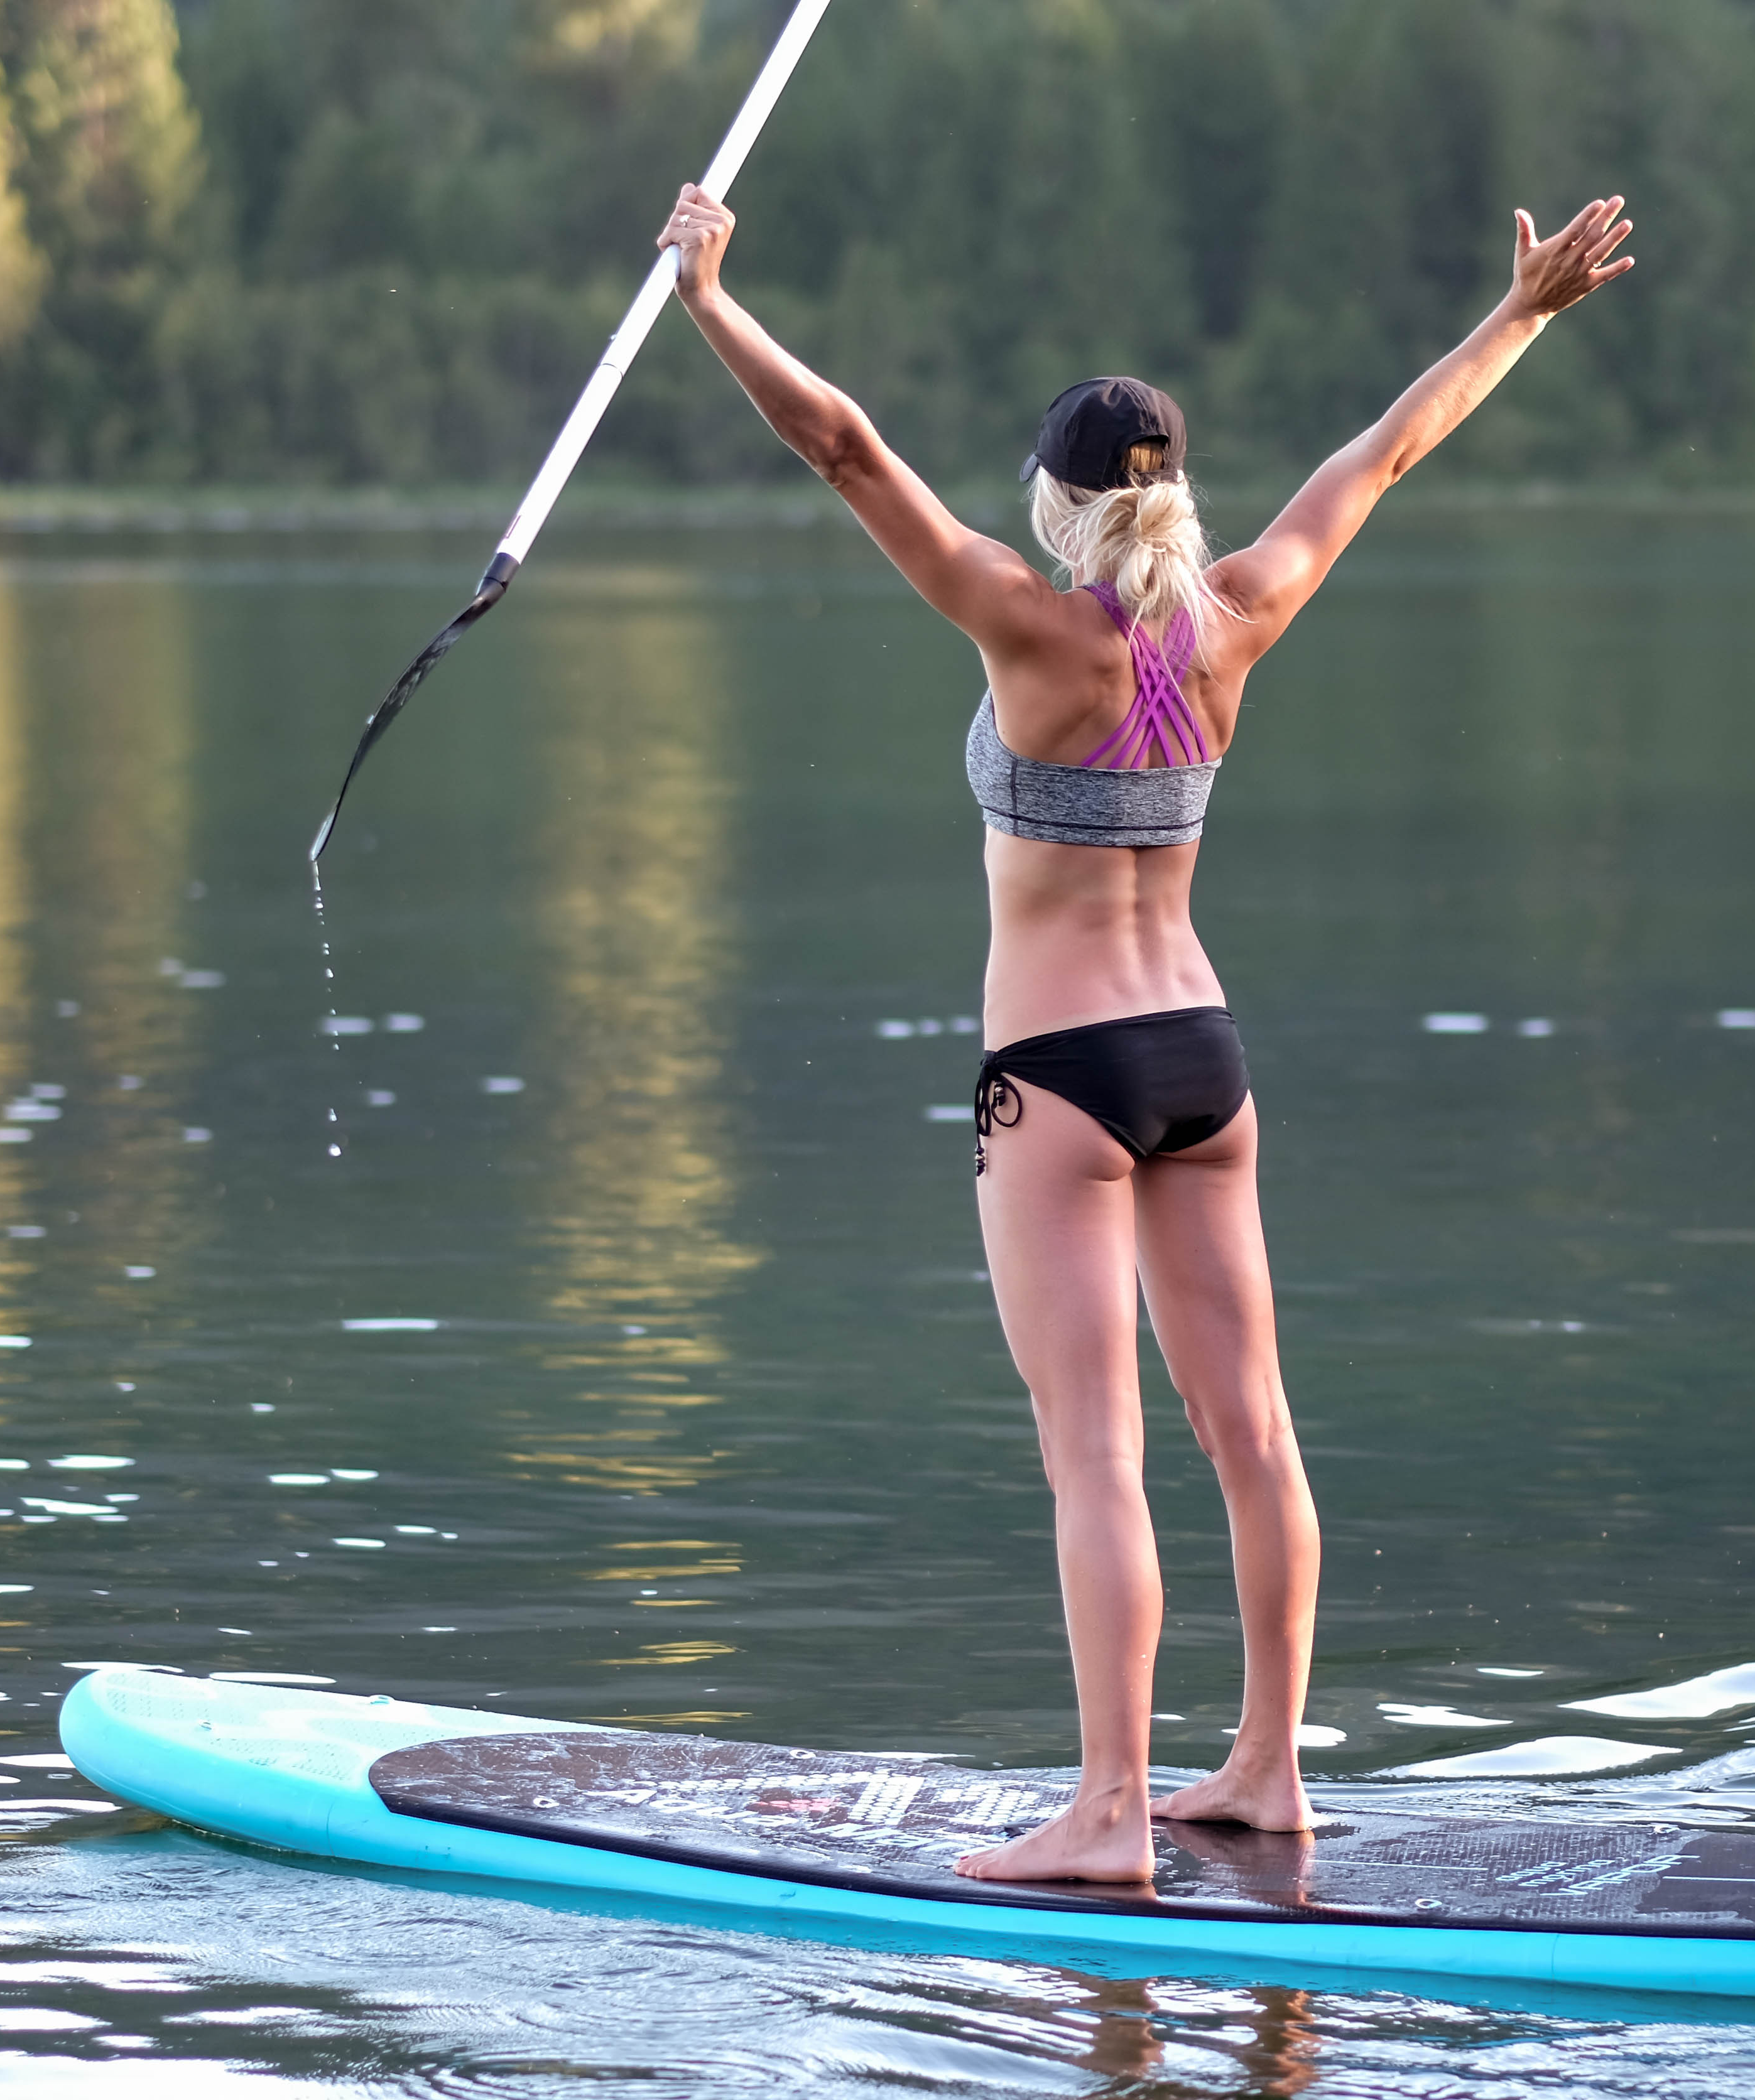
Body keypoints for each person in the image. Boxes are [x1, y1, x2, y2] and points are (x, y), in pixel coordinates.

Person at [659, 179, 1636, 1883]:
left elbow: (843, 446)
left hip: (1060, 1080)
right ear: (1179, 490)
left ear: (1052, 503)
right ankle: (1267, 1767)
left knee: (1093, 1450)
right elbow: (1388, 452)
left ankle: (1112, 1807)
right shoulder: (1238, 609)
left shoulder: (1032, 628)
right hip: (1202, 1058)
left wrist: (708, 294)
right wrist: (1524, 315)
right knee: (1251, 1431)